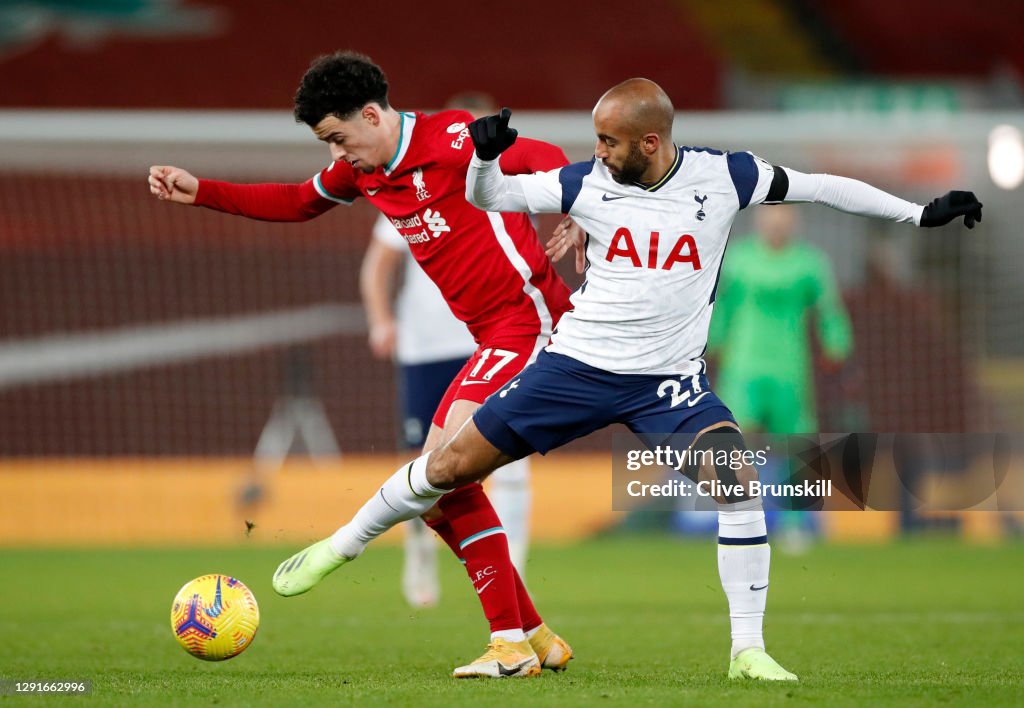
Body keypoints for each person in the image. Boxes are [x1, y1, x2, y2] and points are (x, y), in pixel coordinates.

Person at [268, 78, 983, 682]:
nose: (598, 153)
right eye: (596, 140)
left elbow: (822, 187)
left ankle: (749, 651)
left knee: (736, 485)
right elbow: (495, 198)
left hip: (667, 384)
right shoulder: (585, 182)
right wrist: (485, 160)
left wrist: (918, 213)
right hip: (574, 369)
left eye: (610, 141)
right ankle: (344, 545)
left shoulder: (725, 177)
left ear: (651, 142)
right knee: (448, 464)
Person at [148, 51, 574, 679]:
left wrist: (583, 221)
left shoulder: (453, 137)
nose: (335, 155)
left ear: (372, 115)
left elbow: (548, 159)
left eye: (338, 138)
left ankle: (509, 646)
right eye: (325, 142)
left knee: (439, 476)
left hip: (530, 324)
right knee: (435, 495)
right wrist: (202, 192)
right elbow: (296, 202)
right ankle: (534, 635)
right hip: (490, 336)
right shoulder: (364, 172)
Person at [361, 94, 534, 605]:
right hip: (423, 346)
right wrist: (380, 320)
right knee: (425, 465)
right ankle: (419, 554)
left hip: (494, 339)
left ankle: (514, 567)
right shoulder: (408, 186)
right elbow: (377, 265)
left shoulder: (508, 188)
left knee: (507, 458)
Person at [707, 206, 852, 551]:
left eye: (783, 218)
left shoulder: (809, 263)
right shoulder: (739, 260)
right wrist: (711, 340)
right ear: (759, 221)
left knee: (796, 446)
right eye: (770, 218)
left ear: (793, 222)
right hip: (743, 366)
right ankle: (734, 519)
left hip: (789, 368)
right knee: (730, 441)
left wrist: (837, 342)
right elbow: (721, 305)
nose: (776, 224)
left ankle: (795, 524)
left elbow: (829, 308)